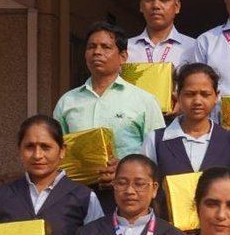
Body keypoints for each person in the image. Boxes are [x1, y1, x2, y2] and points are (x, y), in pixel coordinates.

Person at [53, 22, 168, 208]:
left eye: (105, 47)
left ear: (123, 57)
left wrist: (125, 169)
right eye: (91, 47)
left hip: (129, 197)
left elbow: (159, 154)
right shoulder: (67, 102)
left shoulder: (144, 101)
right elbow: (56, 152)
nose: (97, 52)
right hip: (76, 197)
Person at [144, 63, 230, 191]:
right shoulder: (155, 140)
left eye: (205, 94)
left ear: (216, 96)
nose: (197, 101)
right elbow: (145, 185)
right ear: (178, 96)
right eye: (190, 94)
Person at [130, 0, 195, 93]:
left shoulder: (193, 47)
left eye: (163, 0)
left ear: (177, 6)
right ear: (141, 5)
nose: (156, 5)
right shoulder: (125, 48)